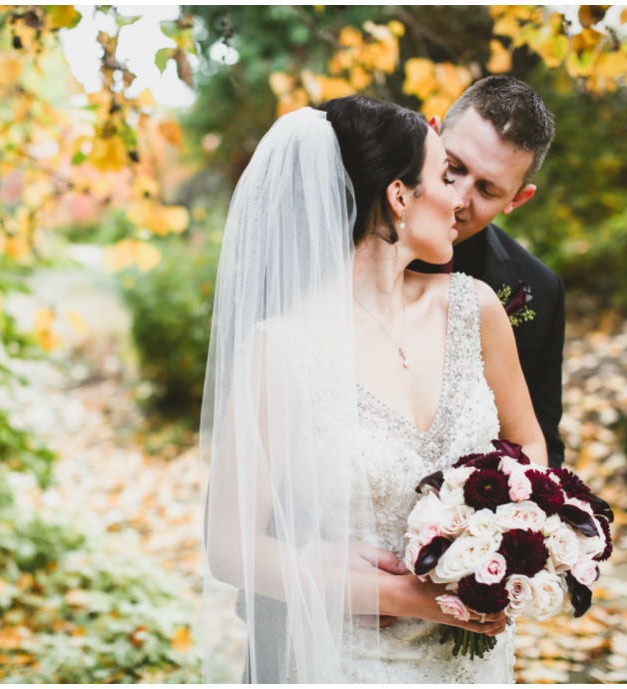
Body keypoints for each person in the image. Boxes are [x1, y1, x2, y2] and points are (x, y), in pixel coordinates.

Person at [201, 97, 546, 683]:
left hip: (477, 665)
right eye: (445, 176)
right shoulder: (281, 349)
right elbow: (230, 548)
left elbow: (530, 446)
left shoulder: (475, 308)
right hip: (352, 661)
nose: (460, 200)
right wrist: (408, 598)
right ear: (399, 196)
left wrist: (503, 536)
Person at [410, 75, 566, 469]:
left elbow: (540, 441)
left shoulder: (540, 291)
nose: (458, 198)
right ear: (431, 135)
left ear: (518, 199)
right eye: (454, 167)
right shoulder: (343, 242)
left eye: (488, 190)